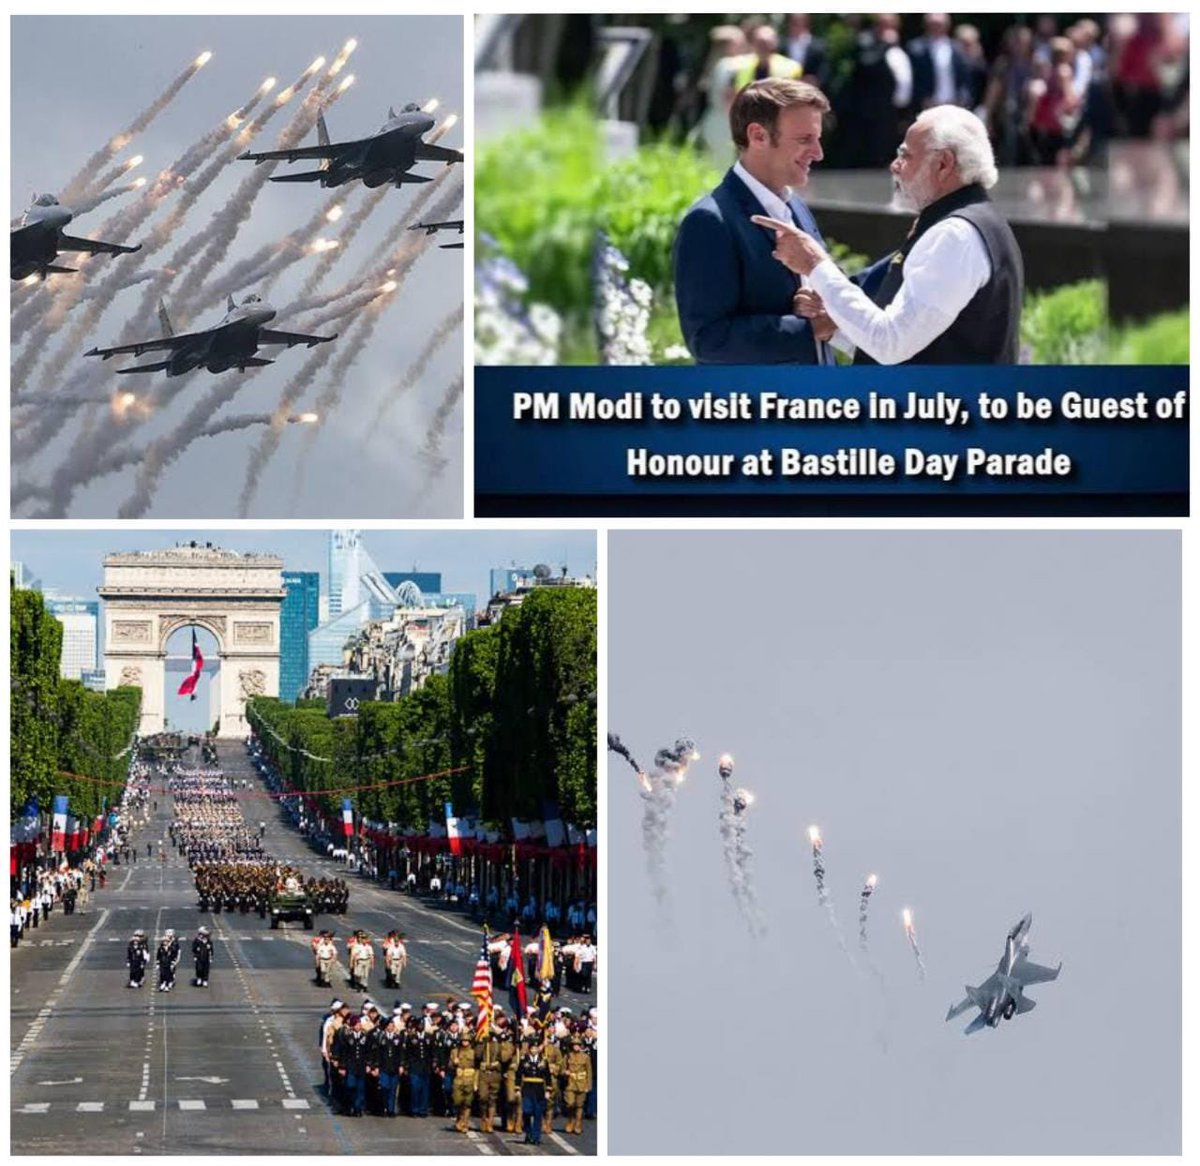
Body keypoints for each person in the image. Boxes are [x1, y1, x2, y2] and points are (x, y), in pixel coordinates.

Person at [752, 104, 1023, 365]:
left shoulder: (955, 235)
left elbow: (891, 343)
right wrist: (835, 326)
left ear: (943, 164)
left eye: (906, 156)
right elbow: (915, 344)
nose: (894, 165)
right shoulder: (967, 222)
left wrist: (814, 264)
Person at [674, 78, 833, 364]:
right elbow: (709, 339)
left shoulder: (795, 206)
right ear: (758, 135)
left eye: (817, 138)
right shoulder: (710, 221)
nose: (818, 152)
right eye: (804, 139)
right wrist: (807, 329)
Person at [518, 1039, 548, 1145]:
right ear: (529, 1049)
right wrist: (517, 1088)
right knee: (526, 1111)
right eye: (532, 1048)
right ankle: (528, 1133)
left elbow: (547, 1075)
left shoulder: (543, 1059)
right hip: (527, 1088)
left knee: (538, 1113)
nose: (534, 1050)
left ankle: (536, 1137)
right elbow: (519, 1073)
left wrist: (548, 1089)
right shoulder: (524, 1059)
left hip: (539, 1089)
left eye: (536, 1048)